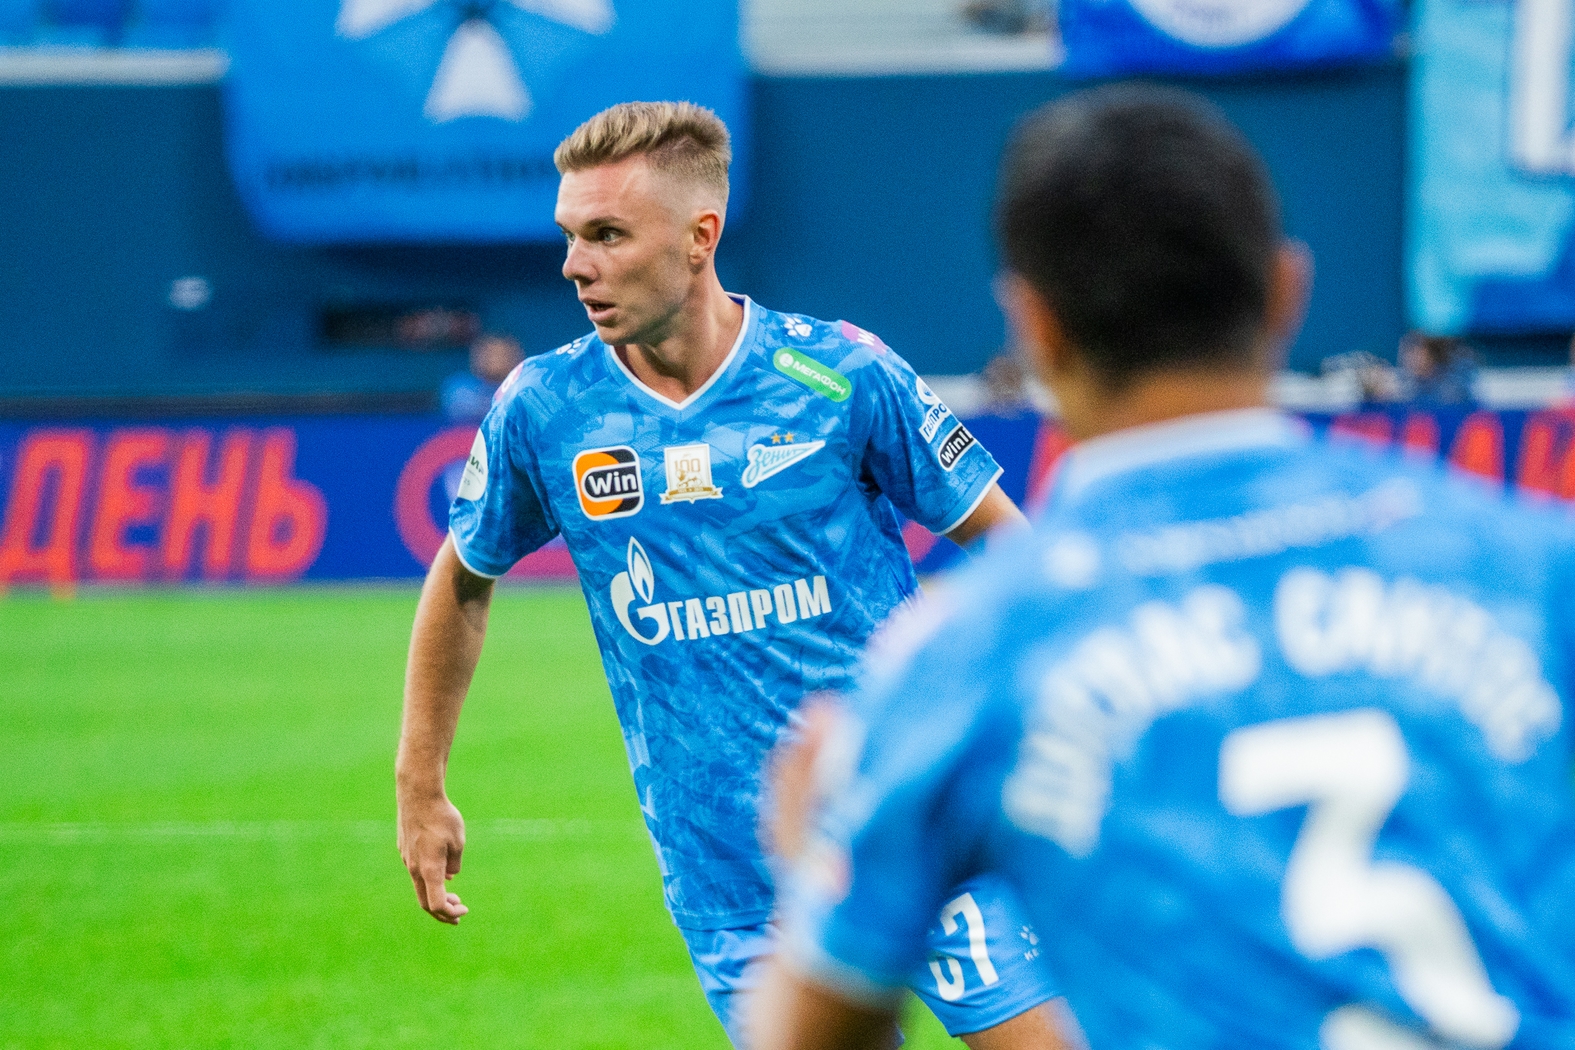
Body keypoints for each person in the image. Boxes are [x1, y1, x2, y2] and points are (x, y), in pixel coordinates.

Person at [752, 85, 1575, 1050]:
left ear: (1032, 327)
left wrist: (816, 869)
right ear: (1286, 291)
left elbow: (815, 1030)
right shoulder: (1531, 566)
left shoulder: (962, 654)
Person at [395, 101, 1064, 1049]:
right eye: (569, 235)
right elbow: (464, 577)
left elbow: (1013, 552)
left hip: (909, 821)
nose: (575, 265)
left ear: (699, 237)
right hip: (732, 878)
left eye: (606, 235)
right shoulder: (545, 408)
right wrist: (419, 782)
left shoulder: (838, 373)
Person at [441, 333, 524, 422]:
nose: (492, 359)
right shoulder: (459, 388)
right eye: (487, 353)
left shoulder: (524, 387)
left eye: (498, 354)